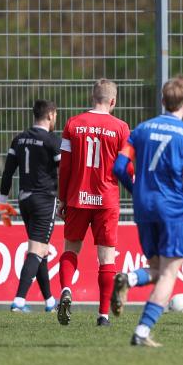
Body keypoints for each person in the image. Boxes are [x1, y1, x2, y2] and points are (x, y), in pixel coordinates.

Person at [111, 75, 183, 347]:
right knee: (169, 273)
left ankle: (128, 277)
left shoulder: (140, 130)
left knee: (155, 269)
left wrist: (135, 188)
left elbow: (118, 168)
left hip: (143, 206)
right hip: (171, 209)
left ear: (163, 101)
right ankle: (142, 331)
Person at [56, 79, 130, 327]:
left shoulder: (73, 124)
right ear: (113, 101)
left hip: (78, 196)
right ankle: (103, 316)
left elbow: (64, 166)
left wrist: (62, 198)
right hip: (106, 198)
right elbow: (126, 168)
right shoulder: (121, 128)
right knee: (106, 258)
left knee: (70, 249)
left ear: (91, 97)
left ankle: (66, 290)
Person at [0, 100, 61, 313]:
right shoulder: (52, 141)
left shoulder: (19, 139)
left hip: (24, 200)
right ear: (51, 115)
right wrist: (67, 199)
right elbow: (65, 172)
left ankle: (50, 301)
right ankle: (19, 301)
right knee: (37, 249)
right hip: (44, 200)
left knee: (40, 248)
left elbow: (8, 171)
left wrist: (2, 201)